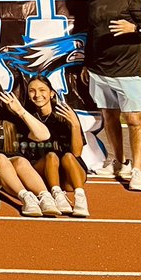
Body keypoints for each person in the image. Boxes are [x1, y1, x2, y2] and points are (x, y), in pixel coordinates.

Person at [84, 0, 141, 191]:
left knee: (134, 119)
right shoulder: (92, 2)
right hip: (99, 70)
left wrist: (134, 27)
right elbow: (91, 36)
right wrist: (87, 63)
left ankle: (137, 170)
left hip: (127, 70)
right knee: (110, 118)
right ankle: (118, 162)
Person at [0, 76, 65, 217]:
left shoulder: (7, 115)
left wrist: (20, 112)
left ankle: (45, 197)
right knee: (0, 158)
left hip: (5, 166)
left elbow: (43, 135)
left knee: (21, 161)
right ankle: (26, 198)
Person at [21, 76, 89, 214]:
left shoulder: (64, 114)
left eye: (42, 90)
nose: (37, 95)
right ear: (28, 95)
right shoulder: (27, 117)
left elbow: (77, 154)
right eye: (32, 91)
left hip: (69, 175)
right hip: (43, 171)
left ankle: (81, 198)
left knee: (68, 157)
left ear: (51, 93)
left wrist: (75, 125)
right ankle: (57, 196)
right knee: (51, 156)